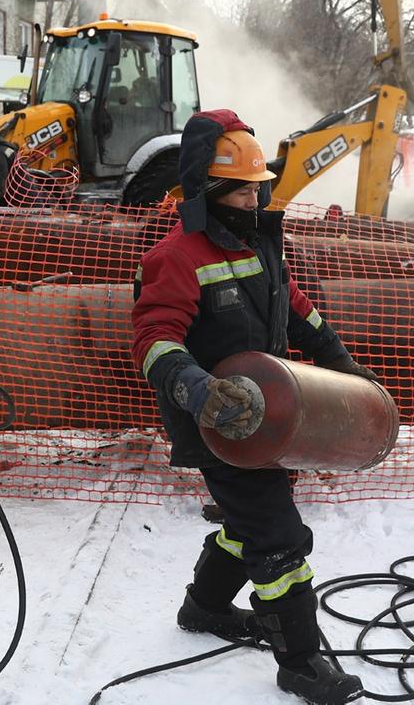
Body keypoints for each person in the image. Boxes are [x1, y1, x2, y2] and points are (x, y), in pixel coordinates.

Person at [131, 109, 379, 705]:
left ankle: (205, 607)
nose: (255, 194)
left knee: (248, 523)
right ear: (211, 192)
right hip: (219, 420)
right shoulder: (178, 255)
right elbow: (154, 338)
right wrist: (198, 390)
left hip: (270, 418)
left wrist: (341, 361)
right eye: (242, 187)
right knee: (279, 539)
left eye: (258, 185)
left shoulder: (261, 243)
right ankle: (300, 663)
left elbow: (296, 309)